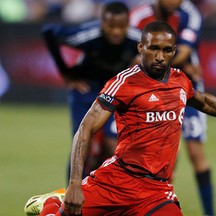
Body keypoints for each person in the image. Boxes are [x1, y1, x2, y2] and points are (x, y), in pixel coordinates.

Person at [25, 21, 216, 216]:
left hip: (156, 191)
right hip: (116, 181)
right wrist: (73, 184)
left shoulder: (180, 80)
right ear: (141, 47)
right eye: (154, 49)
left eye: (167, 50)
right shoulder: (125, 82)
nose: (160, 56)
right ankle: (53, 203)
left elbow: (203, 101)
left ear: (173, 51)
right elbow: (85, 129)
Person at [129, 1, 215, 215]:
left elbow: (184, 51)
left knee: (196, 153)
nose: (175, 1)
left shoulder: (190, 14)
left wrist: (162, 65)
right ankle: (157, 207)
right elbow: (131, 56)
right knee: (163, 157)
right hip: (153, 92)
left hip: (188, 86)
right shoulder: (138, 16)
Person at [42, 1, 141, 180]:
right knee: (81, 143)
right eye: (111, 26)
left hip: (115, 92)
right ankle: (71, 195)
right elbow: (49, 31)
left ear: (128, 24)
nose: (116, 32)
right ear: (102, 23)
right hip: (86, 90)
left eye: (121, 26)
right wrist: (67, 73)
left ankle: (103, 193)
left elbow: (158, 53)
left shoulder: (138, 39)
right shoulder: (88, 35)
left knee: (115, 146)